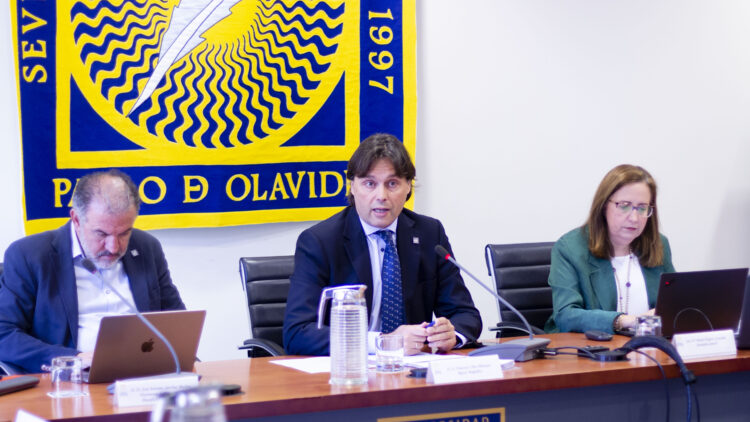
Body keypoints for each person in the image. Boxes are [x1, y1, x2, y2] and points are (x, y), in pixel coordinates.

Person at [283, 133, 481, 356]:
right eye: (369, 183)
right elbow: (298, 332)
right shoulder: (320, 242)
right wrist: (383, 342)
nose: (381, 195)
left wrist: (451, 335)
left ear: (408, 187)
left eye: (392, 183)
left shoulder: (429, 234)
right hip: (349, 372)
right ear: (352, 187)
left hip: (413, 372)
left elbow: (466, 315)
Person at [0, 169, 185, 373]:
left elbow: (177, 320)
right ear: (76, 219)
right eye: (101, 234)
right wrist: (73, 359)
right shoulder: (30, 255)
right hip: (71, 381)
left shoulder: (146, 247)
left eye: (124, 233)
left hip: (143, 373)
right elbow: (4, 333)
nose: (113, 247)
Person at [545, 164, 675, 334]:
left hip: (650, 349)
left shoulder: (658, 244)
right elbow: (565, 315)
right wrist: (625, 321)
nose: (634, 217)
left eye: (642, 208)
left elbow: (673, 303)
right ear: (604, 205)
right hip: (593, 351)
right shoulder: (570, 249)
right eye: (624, 205)